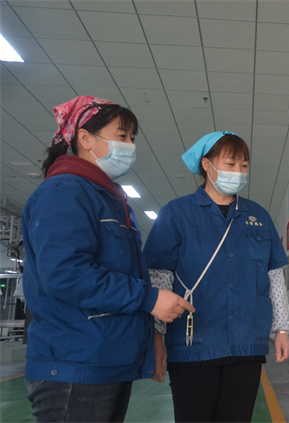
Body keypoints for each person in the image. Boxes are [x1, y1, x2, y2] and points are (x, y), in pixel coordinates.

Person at [21, 96, 194, 422]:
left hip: (105, 360)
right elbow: (66, 274)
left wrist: (152, 337)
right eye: (121, 136)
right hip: (75, 364)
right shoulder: (64, 192)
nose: (130, 146)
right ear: (85, 138)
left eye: (132, 138)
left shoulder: (110, 200)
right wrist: (150, 298)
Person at [143, 131, 289, 422]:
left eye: (244, 165)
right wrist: (156, 334)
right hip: (192, 344)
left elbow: (274, 275)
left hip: (246, 344)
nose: (238, 172)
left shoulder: (258, 216)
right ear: (207, 165)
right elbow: (159, 278)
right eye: (230, 164)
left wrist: (282, 329)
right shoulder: (176, 214)